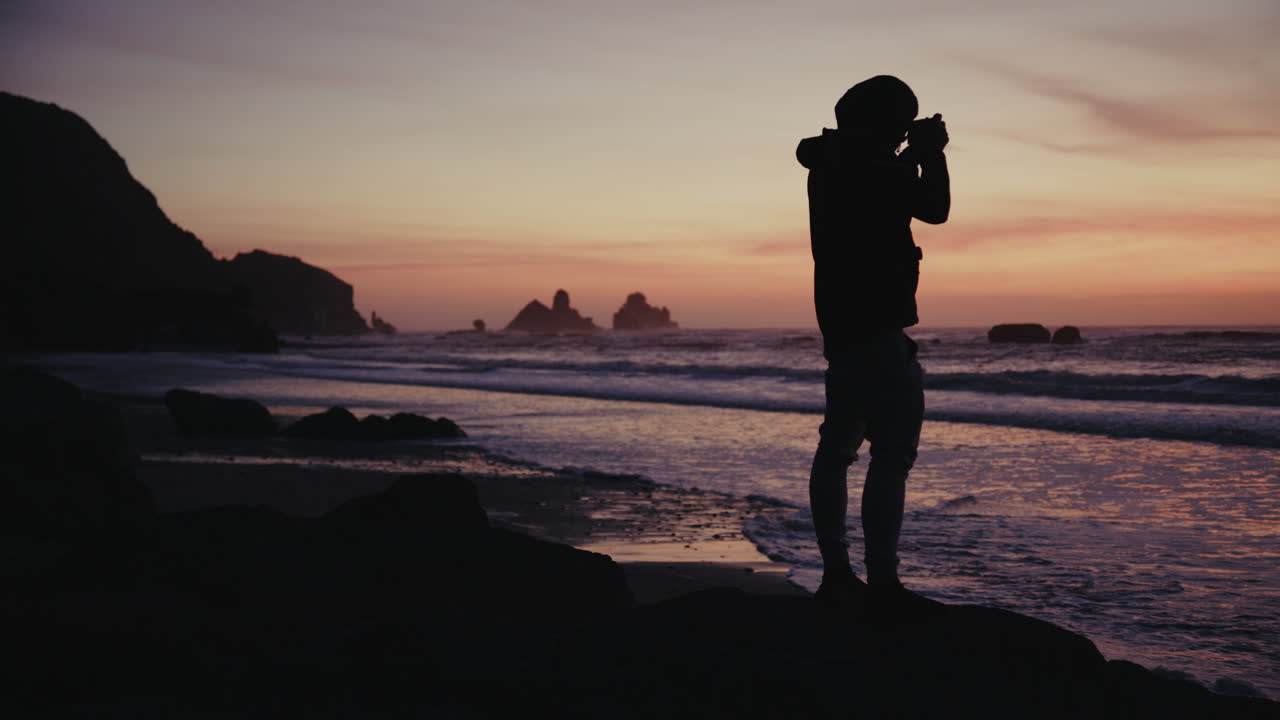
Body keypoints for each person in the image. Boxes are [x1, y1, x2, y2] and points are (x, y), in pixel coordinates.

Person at [795, 75, 950, 609]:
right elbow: (936, 207)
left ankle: (837, 572)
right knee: (892, 455)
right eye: (900, 123)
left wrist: (909, 152)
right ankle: (883, 580)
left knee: (836, 450)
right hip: (880, 334)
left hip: (841, 332)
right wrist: (932, 154)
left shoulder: (830, 163)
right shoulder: (880, 168)